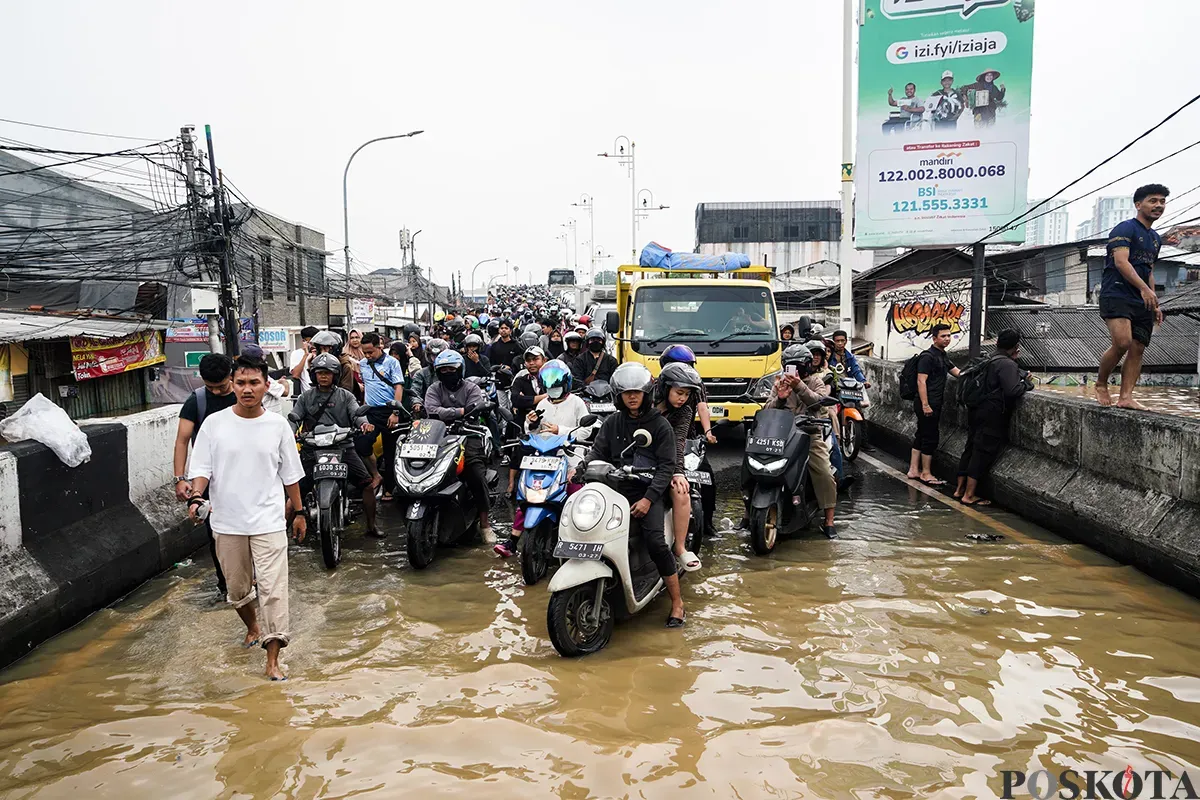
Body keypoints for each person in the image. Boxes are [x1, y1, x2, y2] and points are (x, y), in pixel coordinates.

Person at [187, 355, 306, 681]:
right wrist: (197, 496)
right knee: (237, 590)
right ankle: (253, 625)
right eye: (241, 383)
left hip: (268, 521)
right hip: (226, 522)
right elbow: (201, 471)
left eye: (254, 382)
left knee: (273, 590)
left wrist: (299, 511)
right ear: (232, 386)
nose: (247, 389)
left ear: (266, 386)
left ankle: (272, 659)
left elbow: (291, 475)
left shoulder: (278, 425)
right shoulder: (214, 424)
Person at [584, 362, 684, 627]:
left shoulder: (660, 426)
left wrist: (648, 498)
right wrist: (582, 466)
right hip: (615, 490)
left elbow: (667, 468)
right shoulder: (613, 423)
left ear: (646, 394)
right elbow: (598, 452)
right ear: (618, 395)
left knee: (656, 541)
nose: (631, 396)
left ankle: (677, 603)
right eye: (626, 392)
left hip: (648, 491)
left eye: (636, 392)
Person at [494, 360, 589, 558]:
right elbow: (533, 432)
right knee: (530, 493)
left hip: (569, 456)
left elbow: (586, 430)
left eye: (557, 386)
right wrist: (531, 423)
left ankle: (578, 540)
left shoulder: (577, 403)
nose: (553, 390)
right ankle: (512, 541)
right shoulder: (543, 403)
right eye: (550, 387)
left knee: (575, 492)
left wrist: (561, 431)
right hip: (544, 456)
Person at [747, 343, 840, 538]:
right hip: (780, 435)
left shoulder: (815, 382)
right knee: (750, 462)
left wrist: (800, 387)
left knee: (823, 471)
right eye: (790, 366)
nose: (794, 371)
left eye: (798, 366)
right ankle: (748, 511)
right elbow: (766, 410)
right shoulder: (778, 383)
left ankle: (829, 521)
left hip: (809, 435)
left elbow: (818, 404)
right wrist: (780, 398)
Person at [288, 353, 381, 535]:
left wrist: (364, 424)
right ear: (313, 374)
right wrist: (289, 432)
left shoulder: (345, 396)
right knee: (294, 492)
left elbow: (357, 414)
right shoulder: (305, 397)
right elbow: (294, 418)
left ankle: (371, 526)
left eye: (327, 373)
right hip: (312, 449)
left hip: (343, 447)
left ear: (335, 375)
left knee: (368, 485)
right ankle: (281, 533)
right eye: (319, 373)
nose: (323, 376)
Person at [1096, 184, 1169, 410]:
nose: (1158, 205)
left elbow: (1149, 270)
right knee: (1123, 342)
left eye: (1162, 201)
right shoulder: (1125, 228)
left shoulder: (1155, 238)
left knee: (1138, 347)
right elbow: (1121, 262)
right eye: (1153, 201)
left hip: (1141, 298)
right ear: (1139, 205)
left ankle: (1126, 397)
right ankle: (1100, 383)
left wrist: (1153, 300)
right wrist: (1144, 289)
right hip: (1117, 292)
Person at [173, 352, 236, 597]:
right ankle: (225, 586)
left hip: (242, 477)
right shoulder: (196, 401)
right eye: (211, 387)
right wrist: (180, 478)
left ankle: (251, 580)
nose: (217, 392)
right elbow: (182, 441)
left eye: (221, 386)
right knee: (216, 534)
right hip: (208, 480)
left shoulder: (244, 396)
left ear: (231, 376)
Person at [955, 329, 1033, 506]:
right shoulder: (1007, 364)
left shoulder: (989, 358)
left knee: (971, 447)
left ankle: (959, 490)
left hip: (977, 410)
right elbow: (1013, 390)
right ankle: (969, 495)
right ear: (1016, 347)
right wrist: (1027, 383)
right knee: (982, 452)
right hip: (992, 414)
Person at [423, 350, 495, 543]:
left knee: (476, 474)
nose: (447, 373)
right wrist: (459, 411)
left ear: (460, 369)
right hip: (439, 436)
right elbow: (431, 411)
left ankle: (485, 524)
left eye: (451, 369)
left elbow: (473, 409)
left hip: (468, 435)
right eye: (443, 370)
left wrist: (449, 413)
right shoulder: (433, 389)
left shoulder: (472, 388)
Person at [655, 362, 705, 573]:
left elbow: (679, 441)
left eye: (687, 394)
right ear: (666, 389)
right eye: (679, 393)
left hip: (666, 461)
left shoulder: (684, 411)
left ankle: (680, 547)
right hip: (637, 458)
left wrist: (677, 472)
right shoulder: (646, 403)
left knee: (682, 491)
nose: (683, 398)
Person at [907, 323, 961, 485]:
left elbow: (958, 373)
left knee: (922, 434)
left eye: (948, 336)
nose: (946, 339)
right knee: (930, 436)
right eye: (943, 336)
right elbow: (921, 381)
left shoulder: (942, 356)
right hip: (927, 402)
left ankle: (913, 469)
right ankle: (926, 473)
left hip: (933, 402)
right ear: (934, 338)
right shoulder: (928, 357)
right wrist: (925, 404)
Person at [356, 332, 405, 507]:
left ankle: (389, 489)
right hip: (370, 412)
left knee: (391, 452)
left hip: (390, 411)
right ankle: (376, 474)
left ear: (380, 346)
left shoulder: (392, 363)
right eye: (365, 353)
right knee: (362, 443)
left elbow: (398, 388)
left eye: (371, 352)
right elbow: (367, 389)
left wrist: (395, 412)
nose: (368, 356)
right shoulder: (363, 364)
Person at [508, 346, 548, 493]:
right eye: (528, 360)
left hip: (546, 420)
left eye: (535, 359)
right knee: (519, 449)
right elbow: (516, 399)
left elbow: (558, 395)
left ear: (544, 360)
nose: (532, 363)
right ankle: (512, 482)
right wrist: (543, 397)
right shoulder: (520, 380)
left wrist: (528, 399)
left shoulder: (551, 378)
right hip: (524, 421)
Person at [241, 343, 292, 415]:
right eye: (263, 357)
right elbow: (285, 392)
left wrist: (277, 383)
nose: (266, 361)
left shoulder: (243, 375)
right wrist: (284, 382)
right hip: (269, 418)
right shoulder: (261, 377)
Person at [409, 338, 449, 418]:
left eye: (439, 355)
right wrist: (417, 402)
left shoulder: (454, 371)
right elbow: (415, 390)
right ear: (428, 355)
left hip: (450, 411)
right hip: (428, 413)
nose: (436, 358)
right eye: (433, 355)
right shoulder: (422, 373)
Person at [289, 326, 320, 394]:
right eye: (310, 343)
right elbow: (295, 375)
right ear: (304, 342)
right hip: (307, 394)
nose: (313, 345)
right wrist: (305, 355)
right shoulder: (296, 354)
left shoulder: (321, 352)